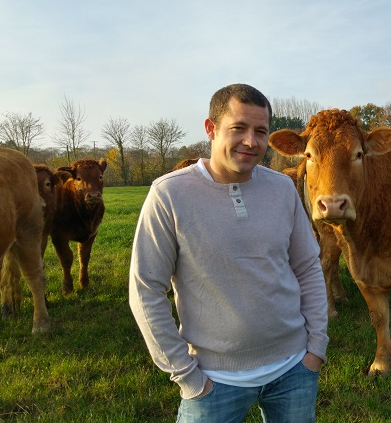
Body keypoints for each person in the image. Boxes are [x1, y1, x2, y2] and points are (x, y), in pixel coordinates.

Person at [129, 83, 328, 423]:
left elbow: (308, 266)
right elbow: (145, 289)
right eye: (239, 128)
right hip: (214, 380)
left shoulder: (282, 188)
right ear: (211, 129)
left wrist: (315, 349)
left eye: (261, 131)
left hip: (294, 369)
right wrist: (188, 377)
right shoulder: (169, 194)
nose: (251, 142)